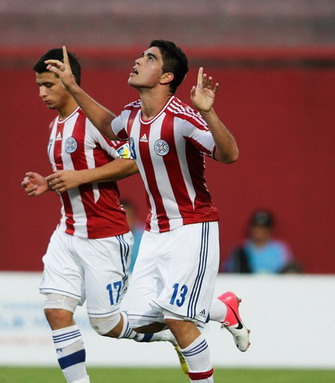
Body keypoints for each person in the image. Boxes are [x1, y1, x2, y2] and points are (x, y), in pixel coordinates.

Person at [45, 41, 248, 382]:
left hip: (192, 227)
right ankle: (221, 309)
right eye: (142, 55)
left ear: (166, 76)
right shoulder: (133, 115)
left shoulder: (182, 118)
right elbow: (110, 126)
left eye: (149, 58)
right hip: (156, 232)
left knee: (178, 319)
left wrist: (209, 112)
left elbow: (229, 155)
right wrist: (74, 88)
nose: (138, 60)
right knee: (136, 321)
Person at [22, 48, 183, 383]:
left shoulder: (92, 122)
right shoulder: (55, 127)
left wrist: (79, 177)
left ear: (69, 82)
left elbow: (133, 159)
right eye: (39, 85)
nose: (42, 92)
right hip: (67, 233)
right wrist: (47, 184)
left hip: (104, 236)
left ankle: (169, 331)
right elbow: (73, 175)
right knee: (55, 310)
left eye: (49, 84)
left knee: (106, 324)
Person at [224, 209, 300, 274]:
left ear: (270, 229)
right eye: (256, 226)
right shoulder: (240, 250)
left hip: (275, 287)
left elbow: (289, 271)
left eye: (263, 227)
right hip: (247, 287)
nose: (259, 231)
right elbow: (230, 273)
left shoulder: (280, 249)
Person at [120, 199, 146, 274]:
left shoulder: (145, 235)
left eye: (129, 215)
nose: (127, 220)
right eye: (123, 216)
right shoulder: (110, 238)